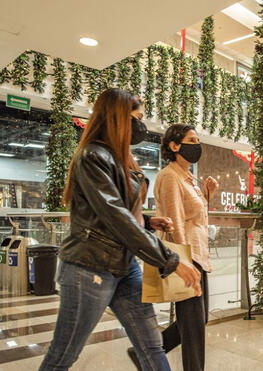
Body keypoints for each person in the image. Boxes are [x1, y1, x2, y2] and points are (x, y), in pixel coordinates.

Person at [39, 88, 200, 371]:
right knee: (63, 355)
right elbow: (115, 216)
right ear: (118, 118)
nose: (141, 125)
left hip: (125, 265)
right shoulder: (92, 156)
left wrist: (149, 220)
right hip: (89, 267)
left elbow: (121, 209)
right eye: (137, 118)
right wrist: (171, 259)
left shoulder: (122, 157)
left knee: (151, 346)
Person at [128, 124, 218, 371]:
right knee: (193, 326)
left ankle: (143, 352)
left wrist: (208, 195)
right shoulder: (170, 176)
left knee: (198, 320)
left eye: (198, 139)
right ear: (174, 146)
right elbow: (175, 221)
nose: (197, 144)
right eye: (191, 139)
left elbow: (195, 215)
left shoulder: (189, 178)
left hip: (199, 254)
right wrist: (182, 262)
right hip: (187, 256)